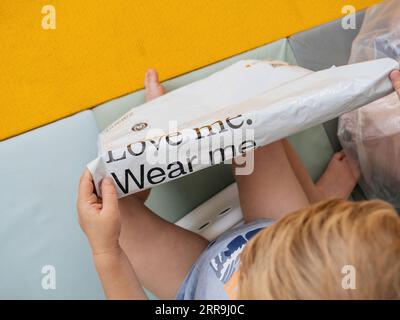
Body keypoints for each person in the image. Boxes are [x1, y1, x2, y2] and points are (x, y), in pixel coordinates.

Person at [76, 68, 400, 300]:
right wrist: (312, 210)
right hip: (276, 228)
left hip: (196, 280)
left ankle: (314, 206)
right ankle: (317, 201)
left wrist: (105, 252)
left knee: (108, 209)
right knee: (251, 124)